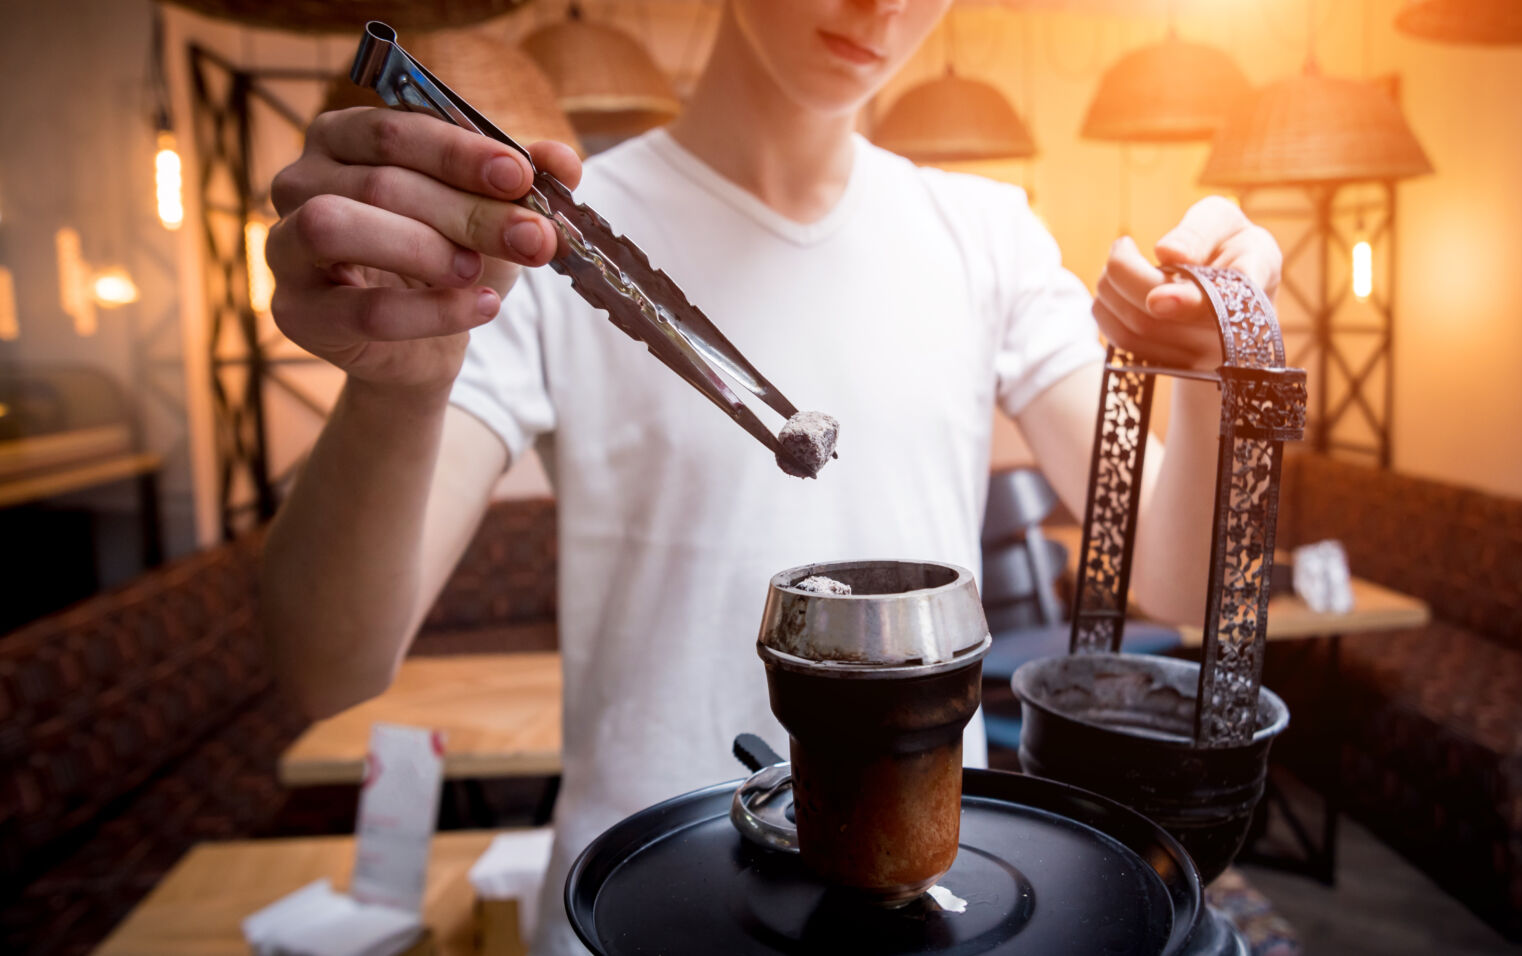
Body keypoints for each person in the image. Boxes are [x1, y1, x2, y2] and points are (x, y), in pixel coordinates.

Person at [263, 1, 1281, 951]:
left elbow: (1176, 577)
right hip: (635, 904)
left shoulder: (987, 238)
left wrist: (1211, 363)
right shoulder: (533, 238)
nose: (882, 6)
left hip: (924, 904)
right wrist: (397, 388)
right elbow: (328, 665)